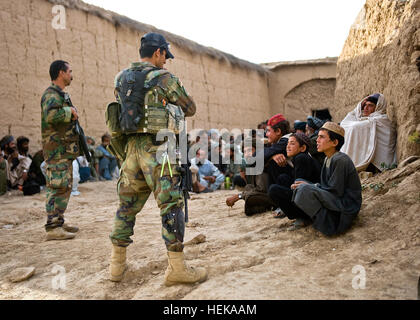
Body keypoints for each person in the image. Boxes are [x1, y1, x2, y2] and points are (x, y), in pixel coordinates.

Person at [109, 32, 207, 286]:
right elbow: (190, 107)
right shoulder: (163, 77)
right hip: (158, 150)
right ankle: (177, 269)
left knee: (126, 207)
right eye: (165, 56)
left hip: (130, 151)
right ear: (158, 53)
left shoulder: (121, 78)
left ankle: (116, 267)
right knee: (171, 206)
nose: (166, 61)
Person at [290, 122, 362, 235]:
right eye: (317, 136)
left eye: (322, 137)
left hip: (346, 205)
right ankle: (324, 222)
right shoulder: (327, 159)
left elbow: (336, 191)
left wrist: (311, 187)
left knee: (304, 189)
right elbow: (325, 187)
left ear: (334, 142)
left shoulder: (340, 160)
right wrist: (310, 185)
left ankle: (331, 225)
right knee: (299, 185)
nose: (317, 140)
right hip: (335, 199)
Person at [41, 60, 80, 241]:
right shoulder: (51, 95)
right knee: (56, 186)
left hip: (64, 151)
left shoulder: (60, 95)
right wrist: (69, 112)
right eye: (69, 71)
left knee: (64, 186)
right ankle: (52, 227)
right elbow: (51, 115)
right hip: (56, 151)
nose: (71, 75)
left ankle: (58, 221)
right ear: (61, 73)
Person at [268, 132, 321, 225]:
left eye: (292, 144)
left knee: (273, 190)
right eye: (288, 143)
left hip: (312, 201)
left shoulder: (301, 158)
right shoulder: (301, 157)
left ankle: (303, 217)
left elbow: (300, 189)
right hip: (309, 195)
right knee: (282, 178)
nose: (288, 146)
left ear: (302, 148)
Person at [340, 93, 397, 172]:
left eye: (370, 105)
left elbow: (355, 127)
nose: (366, 108)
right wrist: (359, 106)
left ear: (378, 107)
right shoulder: (365, 120)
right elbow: (345, 123)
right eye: (365, 105)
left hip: (380, 165)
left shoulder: (382, 120)